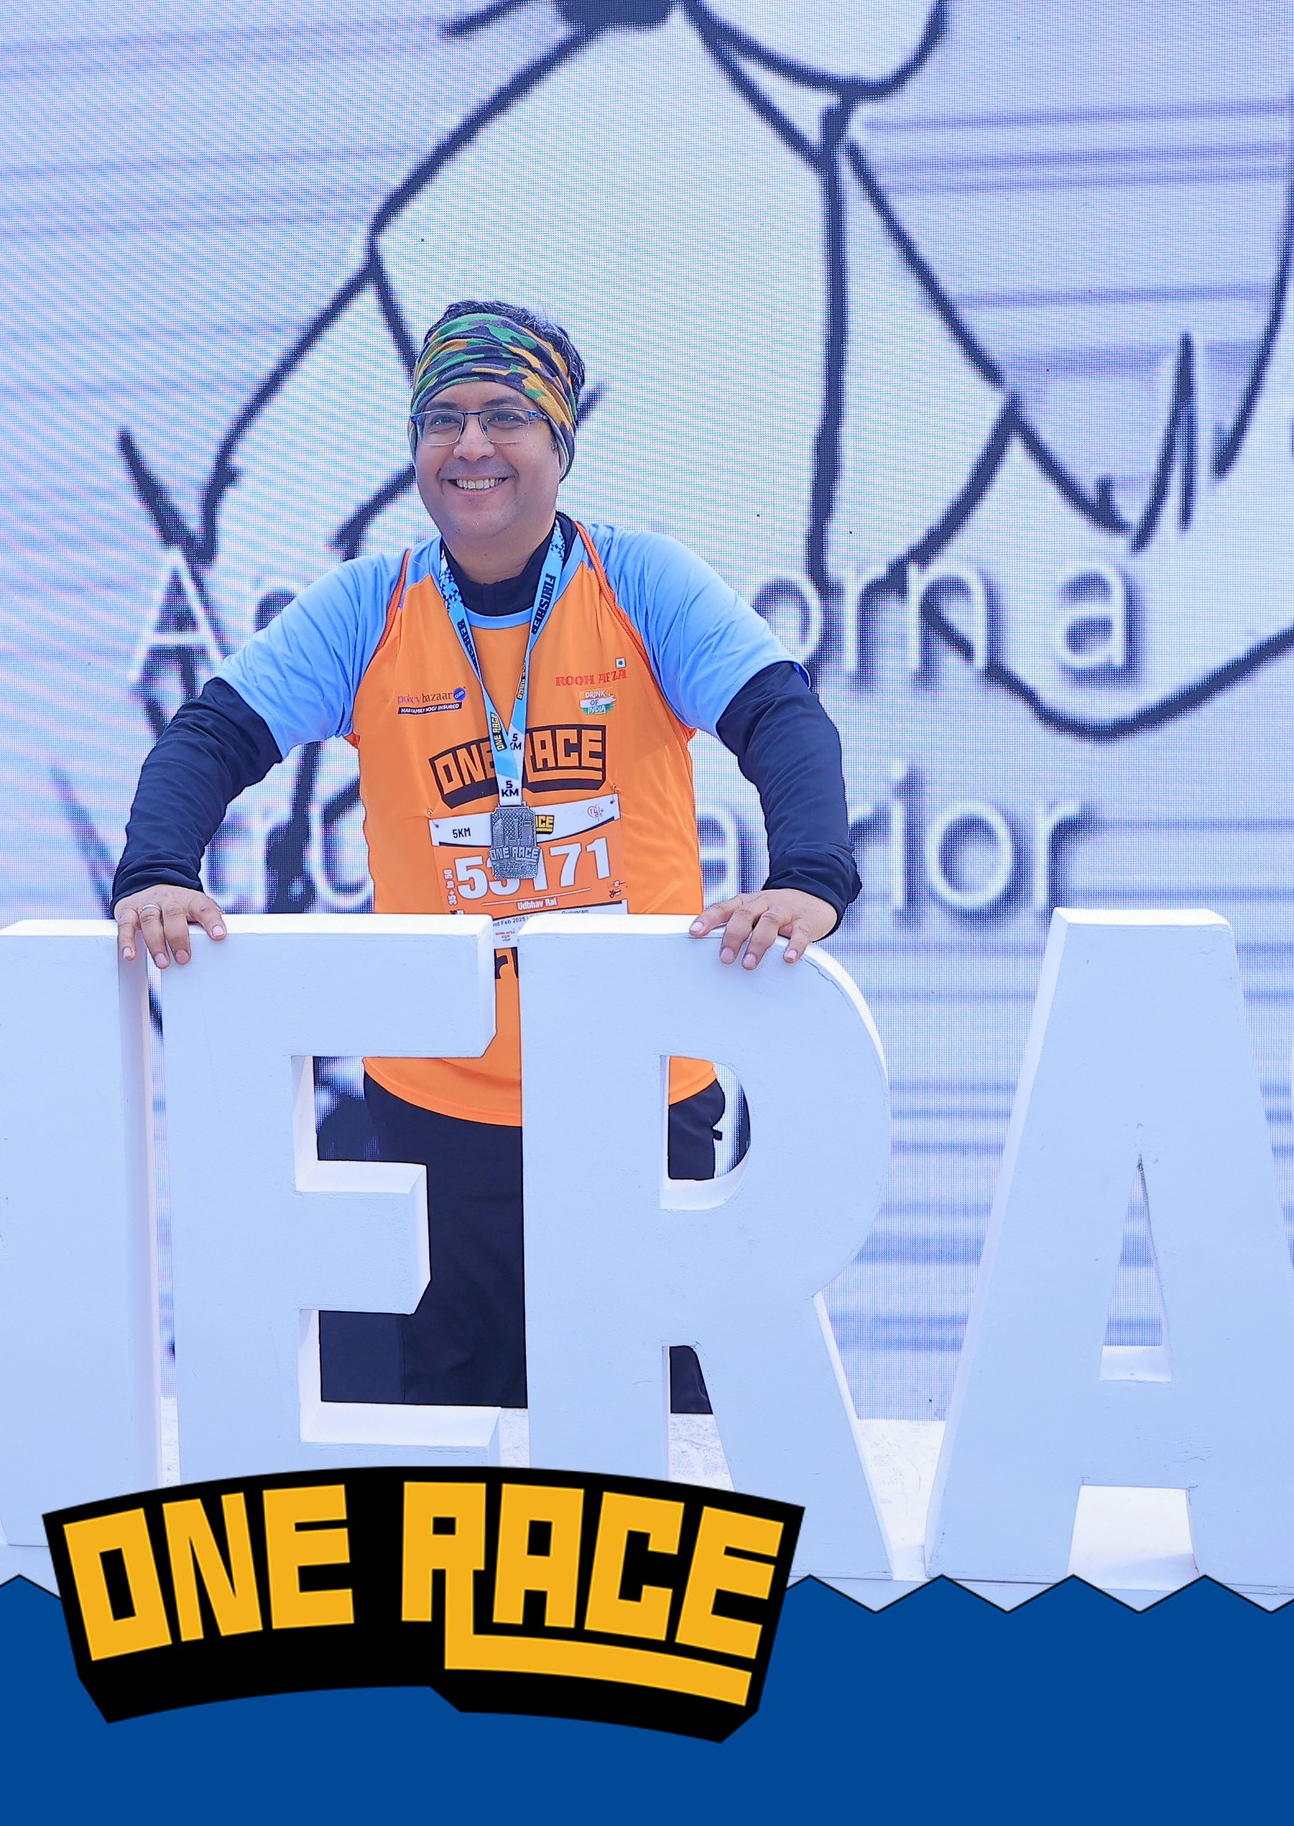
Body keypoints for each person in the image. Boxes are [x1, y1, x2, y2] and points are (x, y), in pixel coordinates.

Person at [112, 299, 860, 1414]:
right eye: (443, 418)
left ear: (561, 439)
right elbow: (211, 734)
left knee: (655, 1453)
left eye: (506, 414)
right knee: (450, 1463)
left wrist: (808, 877)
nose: (471, 444)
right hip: (435, 1112)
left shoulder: (641, 582)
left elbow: (781, 715)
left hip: (638, 1100)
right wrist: (158, 869)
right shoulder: (370, 606)